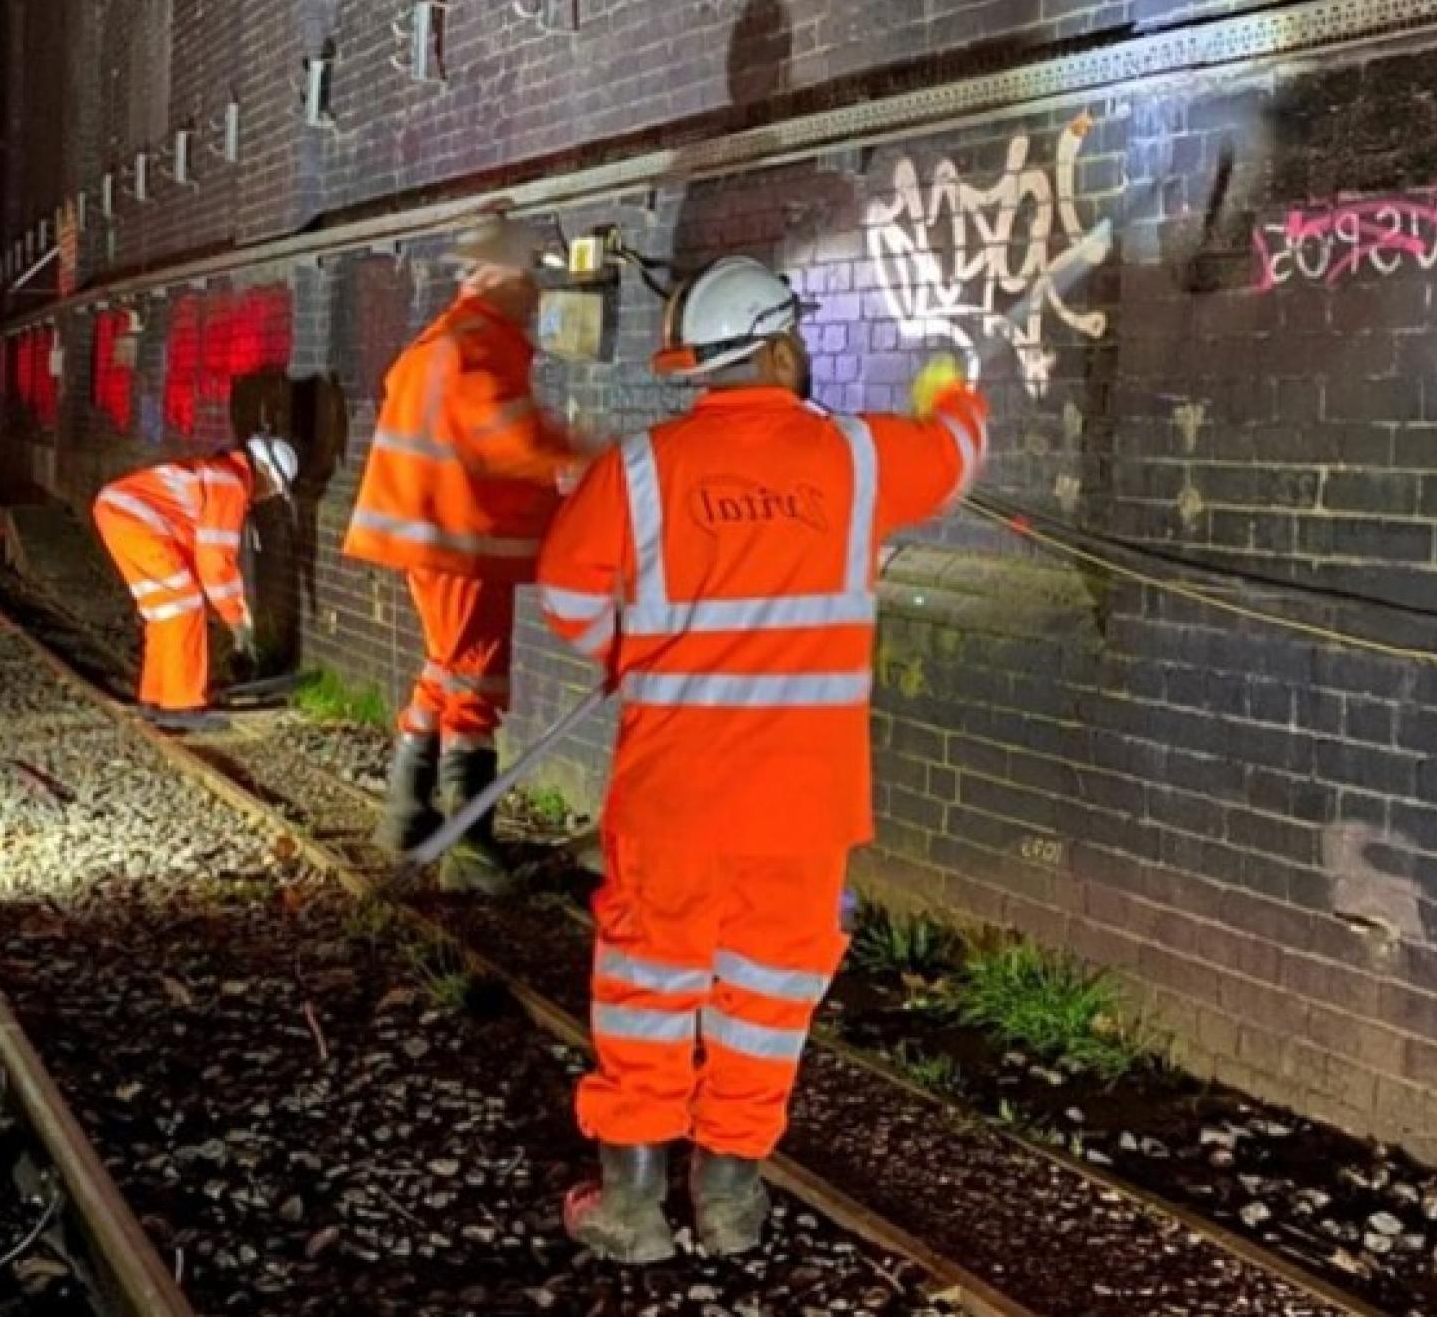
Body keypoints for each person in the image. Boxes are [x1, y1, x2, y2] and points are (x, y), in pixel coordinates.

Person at [536, 256, 989, 1263]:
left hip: (670, 793)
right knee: (767, 994)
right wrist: (948, 389)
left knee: (647, 987)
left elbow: (566, 595)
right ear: (782, 348)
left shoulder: (638, 469)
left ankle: (631, 1204)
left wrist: (632, 657)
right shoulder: (862, 460)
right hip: (803, 806)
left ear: (699, 366)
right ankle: (730, 1202)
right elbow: (957, 457)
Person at [343, 211, 590, 891]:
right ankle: (467, 847)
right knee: (475, 682)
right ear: (506, 275)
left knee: (446, 668)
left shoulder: (441, 337)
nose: (539, 294)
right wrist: (589, 450)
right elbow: (512, 440)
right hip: (463, 537)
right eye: (534, 276)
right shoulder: (482, 343)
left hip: (434, 536)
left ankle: (406, 812)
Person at [92, 434, 298, 731]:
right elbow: (215, 560)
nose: (267, 498)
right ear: (266, 473)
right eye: (273, 490)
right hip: (135, 519)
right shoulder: (232, 486)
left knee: (164, 611)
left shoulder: (218, 475)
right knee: (184, 606)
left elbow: (200, 552)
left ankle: (155, 696)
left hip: (123, 514)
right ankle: (182, 704)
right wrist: (236, 619)